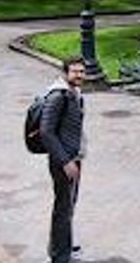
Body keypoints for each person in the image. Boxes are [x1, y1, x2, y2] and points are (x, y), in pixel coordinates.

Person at [40, 56, 86, 263]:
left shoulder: (73, 92)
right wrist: (65, 161)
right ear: (66, 73)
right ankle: (60, 256)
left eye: (82, 71)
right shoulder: (58, 96)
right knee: (63, 207)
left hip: (72, 157)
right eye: (75, 71)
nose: (79, 75)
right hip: (63, 162)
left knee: (68, 204)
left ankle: (61, 244)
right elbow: (46, 132)